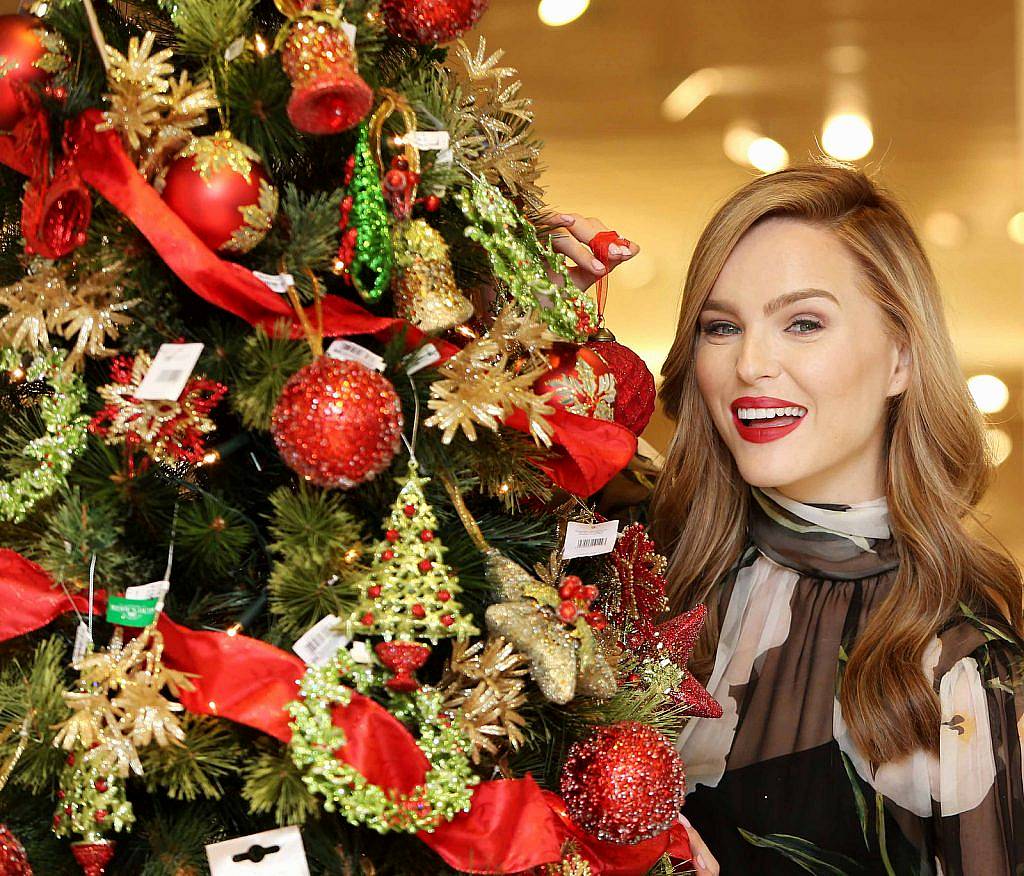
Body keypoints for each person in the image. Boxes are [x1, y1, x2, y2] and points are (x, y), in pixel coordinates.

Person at [550, 163, 1024, 875]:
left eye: (803, 323)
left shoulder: (958, 660)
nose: (751, 363)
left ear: (900, 357)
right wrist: (532, 321)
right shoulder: (643, 567)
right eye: (721, 326)